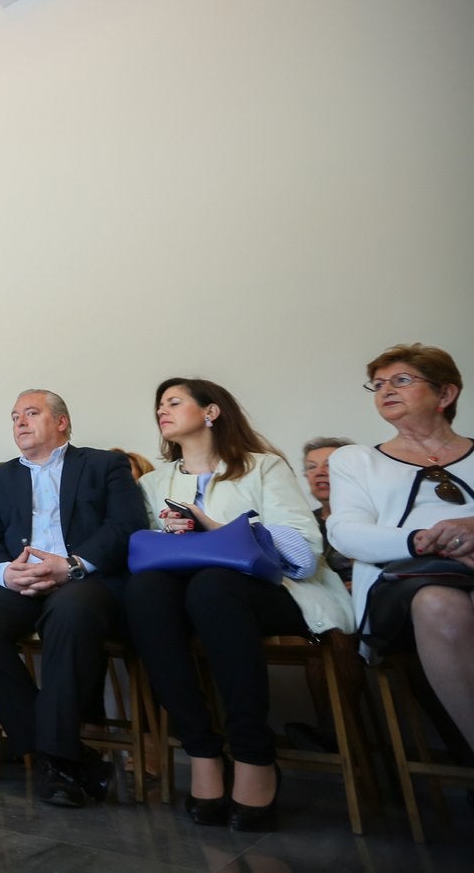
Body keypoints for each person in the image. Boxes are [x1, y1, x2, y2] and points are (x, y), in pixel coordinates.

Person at [126, 378, 352, 832]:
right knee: (145, 592)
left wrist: (211, 526)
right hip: (185, 598)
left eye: (174, 402)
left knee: (214, 585)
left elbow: (303, 552)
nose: (162, 411)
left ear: (211, 412)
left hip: (274, 593)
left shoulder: (262, 467)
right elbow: (148, 554)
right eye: (159, 406)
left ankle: (253, 754)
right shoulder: (153, 483)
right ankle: (202, 749)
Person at [0, 389, 147, 809]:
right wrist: (5, 572)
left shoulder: (103, 465)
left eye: (31, 413)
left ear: (61, 422)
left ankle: (55, 757)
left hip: (82, 581)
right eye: (14, 416)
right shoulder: (1, 477)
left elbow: (126, 527)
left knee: (71, 611)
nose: (19, 421)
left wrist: (73, 564)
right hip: (21, 583)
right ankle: (56, 752)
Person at [328, 344, 474, 757]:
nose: (386, 390)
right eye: (378, 384)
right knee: (438, 603)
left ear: (445, 394)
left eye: (402, 380)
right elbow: (345, 531)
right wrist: (423, 539)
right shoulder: (355, 460)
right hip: (404, 582)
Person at [303, 436, 356, 583]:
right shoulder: (304, 522)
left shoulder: (376, 517)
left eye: (330, 465)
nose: (320, 472)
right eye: (312, 467)